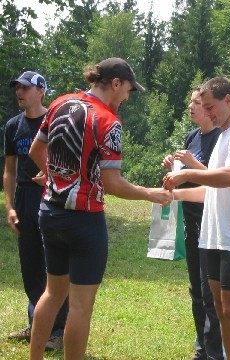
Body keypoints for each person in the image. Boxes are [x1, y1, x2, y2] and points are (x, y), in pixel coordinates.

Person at [27, 57, 171, 360]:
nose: (127, 98)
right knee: (80, 305)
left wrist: (55, 176)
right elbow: (113, 184)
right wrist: (150, 194)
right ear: (115, 83)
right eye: (128, 90)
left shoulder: (59, 103)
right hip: (84, 221)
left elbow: (35, 150)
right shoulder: (109, 122)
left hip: (49, 213)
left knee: (52, 294)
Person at [163, 76, 230, 360]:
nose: (207, 113)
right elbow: (212, 190)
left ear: (229, 100)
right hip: (214, 235)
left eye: (210, 107)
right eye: (204, 107)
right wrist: (176, 195)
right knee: (221, 309)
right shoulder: (224, 135)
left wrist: (187, 173)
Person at [4, 71, 68, 350]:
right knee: (30, 266)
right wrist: (9, 207)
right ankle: (36, 324)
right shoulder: (12, 126)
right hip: (24, 199)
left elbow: (66, 161)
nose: (20, 92)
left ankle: (58, 331)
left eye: (26, 88)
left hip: (51, 198)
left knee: (52, 266)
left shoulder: (54, 122)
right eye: (17, 88)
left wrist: (51, 176)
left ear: (41, 91)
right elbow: (9, 170)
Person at [161, 85, 223, 359]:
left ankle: (214, 353)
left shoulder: (221, 138)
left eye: (197, 102)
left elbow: (221, 179)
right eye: (191, 102)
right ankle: (202, 350)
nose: (192, 106)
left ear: (210, 108)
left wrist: (192, 164)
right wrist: (174, 168)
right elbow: (187, 174)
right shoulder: (191, 137)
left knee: (210, 295)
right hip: (191, 222)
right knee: (196, 292)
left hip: (213, 223)